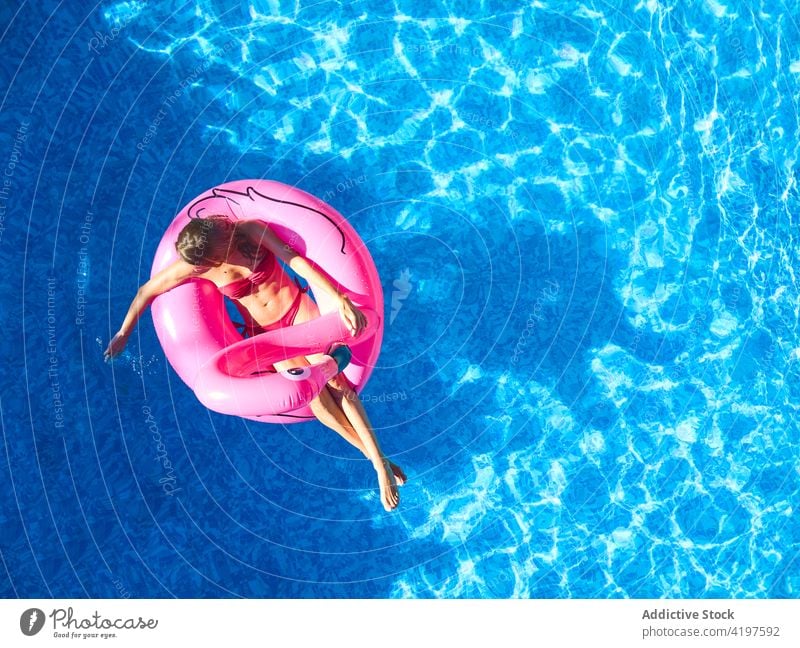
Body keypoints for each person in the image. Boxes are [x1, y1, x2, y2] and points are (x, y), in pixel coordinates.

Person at [104, 215, 404, 511]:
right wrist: (123, 332)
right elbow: (147, 290)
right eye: (205, 264)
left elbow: (294, 259)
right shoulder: (198, 265)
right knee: (316, 398)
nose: (208, 267)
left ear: (218, 242)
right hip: (266, 336)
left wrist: (339, 299)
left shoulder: (249, 231)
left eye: (212, 258)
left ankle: (379, 466)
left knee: (340, 386)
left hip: (297, 312)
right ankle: (376, 459)